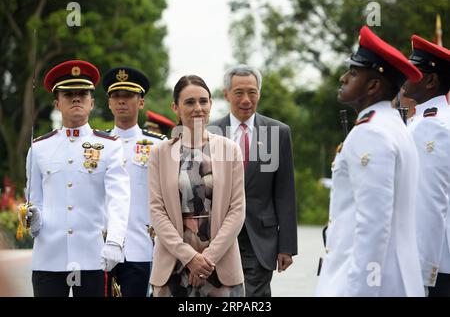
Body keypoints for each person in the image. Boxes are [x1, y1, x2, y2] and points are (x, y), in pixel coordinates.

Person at [315, 26, 425, 297]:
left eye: (353, 73)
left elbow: (373, 225)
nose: (342, 78)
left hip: (370, 284)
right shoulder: (392, 125)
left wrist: (360, 290)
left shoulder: (371, 133)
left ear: (374, 85)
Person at [25, 60, 130, 297]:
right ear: (56, 103)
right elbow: (35, 201)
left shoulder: (110, 147)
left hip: (93, 255)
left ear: (92, 102)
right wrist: (34, 219)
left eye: (82, 94)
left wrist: (115, 241)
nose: (76, 99)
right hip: (49, 257)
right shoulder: (39, 148)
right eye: (68, 94)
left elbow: (119, 200)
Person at [149, 75, 245, 297]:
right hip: (173, 266)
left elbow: (237, 209)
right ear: (176, 107)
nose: (198, 108)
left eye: (203, 101)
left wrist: (207, 259)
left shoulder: (230, 150)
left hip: (220, 267)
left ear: (211, 104)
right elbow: (157, 211)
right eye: (189, 102)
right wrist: (189, 257)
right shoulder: (160, 153)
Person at [208, 64, 297, 297]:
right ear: (226, 94)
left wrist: (287, 246)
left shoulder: (278, 133)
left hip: (260, 237)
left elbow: (285, 192)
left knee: (254, 296)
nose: (246, 99)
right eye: (239, 93)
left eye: (252, 92)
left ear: (259, 92)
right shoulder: (210, 133)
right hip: (219, 237)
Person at [102, 67, 167, 296]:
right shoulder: (97, 145)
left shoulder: (159, 144)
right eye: (116, 97)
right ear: (109, 103)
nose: (122, 102)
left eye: (128, 96)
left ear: (140, 102)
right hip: (103, 244)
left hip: (142, 244)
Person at [403, 35, 450, 297]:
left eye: (414, 69)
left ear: (431, 81)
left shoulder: (432, 125)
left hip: (437, 263)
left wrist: (422, 273)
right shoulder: (428, 120)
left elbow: (429, 203)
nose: (406, 74)